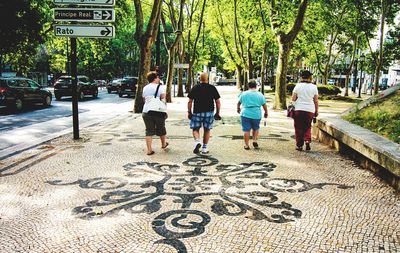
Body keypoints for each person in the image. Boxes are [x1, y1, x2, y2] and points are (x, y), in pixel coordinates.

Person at [188, 72, 221, 154]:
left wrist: (189, 112)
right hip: (209, 112)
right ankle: (204, 148)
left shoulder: (195, 88)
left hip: (197, 112)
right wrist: (217, 113)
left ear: (200, 79)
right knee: (207, 130)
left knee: (195, 129)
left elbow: (190, 101)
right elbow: (218, 102)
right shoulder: (212, 88)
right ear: (208, 79)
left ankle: (197, 141)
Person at [142, 71, 169, 155]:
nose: (159, 79)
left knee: (149, 131)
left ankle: (149, 150)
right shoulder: (161, 87)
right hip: (158, 111)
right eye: (158, 77)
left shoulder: (145, 87)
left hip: (147, 111)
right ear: (155, 78)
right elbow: (163, 97)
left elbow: (144, 99)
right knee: (161, 128)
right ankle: (163, 144)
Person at [291, 70, 319, 151]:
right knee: (307, 126)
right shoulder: (314, 87)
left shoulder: (298, 86)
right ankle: (307, 140)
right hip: (310, 110)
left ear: (301, 77)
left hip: (298, 109)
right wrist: (316, 111)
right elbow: (316, 101)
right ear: (310, 77)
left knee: (298, 127)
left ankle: (299, 145)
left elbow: (293, 98)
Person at [237, 80, 268, 150]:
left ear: (248, 86)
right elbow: (264, 105)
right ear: (256, 86)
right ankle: (254, 140)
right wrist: (266, 112)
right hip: (256, 114)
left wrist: (238, 109)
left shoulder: (244, 94)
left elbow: (238, 103)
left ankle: (246, 145)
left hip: (245, 114)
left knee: (246, 130)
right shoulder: (260, 94)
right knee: (256, 128)